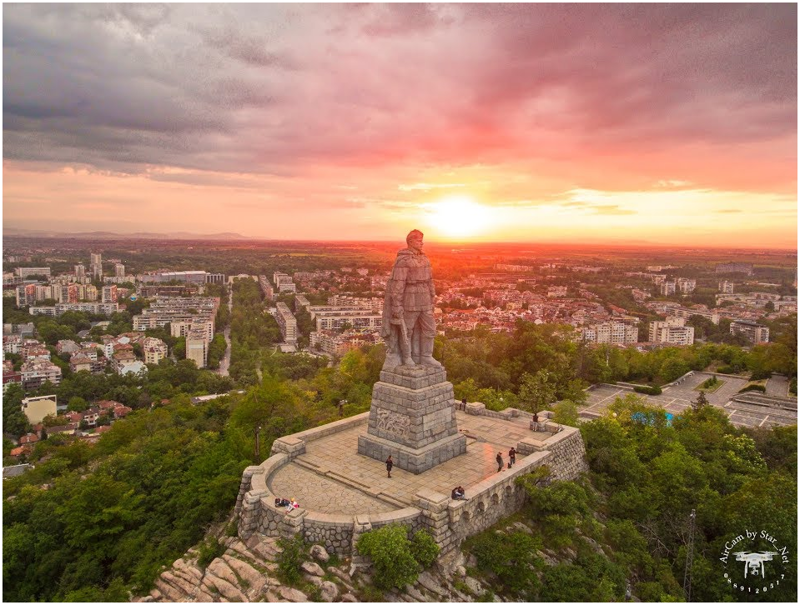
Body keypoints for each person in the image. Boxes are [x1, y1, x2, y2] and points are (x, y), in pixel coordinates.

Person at [381, 230, 442, 370]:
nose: (422, 243)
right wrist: (396, 306)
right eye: (419, 240)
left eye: (422, 240)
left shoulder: (424, 258)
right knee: (407, 331)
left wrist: (432, 296)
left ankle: (426, 356)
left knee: (430, 329)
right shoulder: (403, 260)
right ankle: (407, 357)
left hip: (425, 298)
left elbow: (430, 280)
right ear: (411, 242)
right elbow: (398, 283)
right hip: (410, 298)